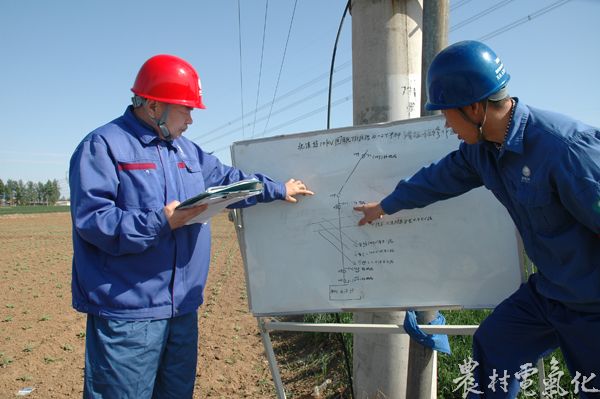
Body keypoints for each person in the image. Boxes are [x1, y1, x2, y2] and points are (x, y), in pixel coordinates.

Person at [354, 40, 600, 398]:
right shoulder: (482, 151)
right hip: (551, 293)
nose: (445, 124)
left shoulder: (565, 148)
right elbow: (438, 179)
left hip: (593, 305)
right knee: (495, 344)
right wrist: (386, 205)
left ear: (473, 107)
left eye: (445, 113)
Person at [69, 54, 314, 398]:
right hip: (129, 315)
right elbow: (94, 222)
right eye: (186, 109)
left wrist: (276, 188)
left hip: (182, 309)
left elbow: (229, 181)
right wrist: (162, 221)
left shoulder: (185, 151)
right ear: (154, 106)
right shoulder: (104, 146)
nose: (191, 119)